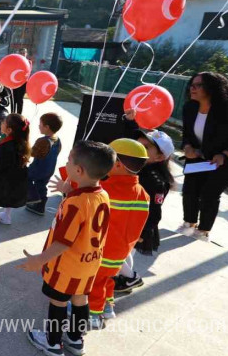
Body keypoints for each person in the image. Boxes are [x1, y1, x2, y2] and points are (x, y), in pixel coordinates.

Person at [18, 140, 115, 356]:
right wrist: (67, 190)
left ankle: (52, 343)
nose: (66, 162)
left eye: (69, 160)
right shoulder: (102, 195)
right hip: (89, 263)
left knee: (58, 301)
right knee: (80, 300)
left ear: (78, 170)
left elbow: (64, 241)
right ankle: (75, 339)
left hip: (66, 266)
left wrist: (40, 259)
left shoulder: (75, 203)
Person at [179, 72, 228, 241]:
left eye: (198, 85)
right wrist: (187, 147)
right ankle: (189, 223)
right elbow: (186, 134)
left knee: (209, 192)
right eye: (192, 84)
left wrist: (225, 154)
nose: (193, 88)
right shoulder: (190, 107)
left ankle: (203, 230)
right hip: (203, 157)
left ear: (212, 88)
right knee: (190, 188)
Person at [85, 138, 150, 327]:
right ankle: (108, 307)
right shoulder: (142, 193)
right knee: (107, 279)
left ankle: (93, 316)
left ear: (118, 165)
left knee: (95, 283)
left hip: (102, 248)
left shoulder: (107, 189)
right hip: (121, 251)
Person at [113, 116, 174, 294]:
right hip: (123, 220)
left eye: (145, 148)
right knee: (123, 254)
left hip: (135, 226)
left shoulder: (155, 180)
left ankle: (130, 277)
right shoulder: (138, 167)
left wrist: (143, 231)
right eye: (138, 145)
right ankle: (125, 278)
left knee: (118, 253)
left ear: (160, 157)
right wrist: (130, 122)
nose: (138, 149)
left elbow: (155, 210)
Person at [0, 114, 30, 225]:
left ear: (9, 129)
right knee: (10, 196)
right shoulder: (20, 141)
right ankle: (6, 215)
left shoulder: (7, 146)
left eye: (4, 122)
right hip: (16, 177)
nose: (1, 123)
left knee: (1, 193)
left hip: (5, 177)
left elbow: (1, 165)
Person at [25, 113, 63, 216]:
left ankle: (33, 198)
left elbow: (31, 153)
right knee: (41, 185)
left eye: (40, 124)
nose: (38, 126)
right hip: (49, 169)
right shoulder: (57, 140)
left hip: (38, 168)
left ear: (47, 127)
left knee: (24, 177)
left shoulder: (42, 141)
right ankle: (40, 207)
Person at [11, 48, 30, 115]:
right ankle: (12, 114)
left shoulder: (28, 62)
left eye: (23, 53)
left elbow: (28, 73)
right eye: (21, 53)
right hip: (14, 82)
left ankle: (19, 115)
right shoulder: (15, 61)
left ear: (26, 54)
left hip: (23, 83)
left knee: (20, 100)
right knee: (13, 99)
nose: (22, 54)